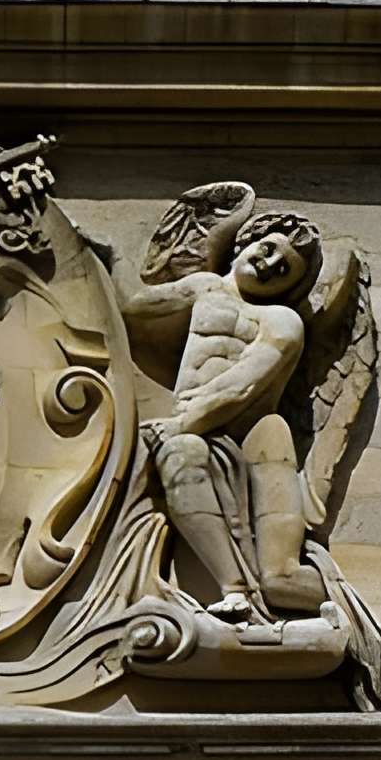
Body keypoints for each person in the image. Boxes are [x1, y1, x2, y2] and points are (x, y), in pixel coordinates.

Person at [108, 205, 327, 621]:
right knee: (179, 454)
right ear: (244, 242)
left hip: (255, 437)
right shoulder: (204, 287)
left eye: (284, 269)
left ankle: (335, 602)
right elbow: (132, 307)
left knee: (280, 579)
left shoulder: (282, 321)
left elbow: (242, 385)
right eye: (267, 249)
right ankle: (235, 590)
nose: (269, 265)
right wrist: (105, 254)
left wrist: (179, 424)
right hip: (197, 435)